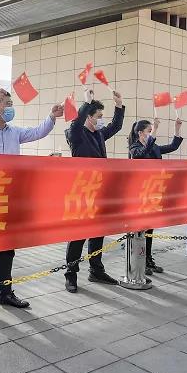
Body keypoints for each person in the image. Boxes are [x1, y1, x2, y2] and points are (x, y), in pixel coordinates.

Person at [0, 88, 63, 319]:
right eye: (6, 103)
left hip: (9, 197)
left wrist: (51, 117)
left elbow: (37, 132)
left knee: (7, 248)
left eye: (11, 103)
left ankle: (5, 292)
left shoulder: (14, 132)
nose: (10, 107)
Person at [63, 89, 124, 293]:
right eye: (98, 116)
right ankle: (71, 275)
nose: (101, 120)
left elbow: (116, 126)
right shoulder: (76, 134)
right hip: (82, 193)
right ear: (88, 117)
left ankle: (96, 270)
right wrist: (86, 103)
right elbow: (75, 124)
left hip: (99, 191)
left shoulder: (99, 134)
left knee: (98, 232)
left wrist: (119, 105)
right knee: (78, 235)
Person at [127, 117, 183, 275]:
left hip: (153, 193)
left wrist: (177, 128)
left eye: (152, 131)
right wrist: (156, 130)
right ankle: (137, 262)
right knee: (139, 230)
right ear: (140, 133)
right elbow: (141, 154)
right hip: (140, 195)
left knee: (149, 228)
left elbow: (173, 146)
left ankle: (148, 259)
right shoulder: (134, 147)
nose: (151, 134)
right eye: (149, 131)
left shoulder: (154, 147)